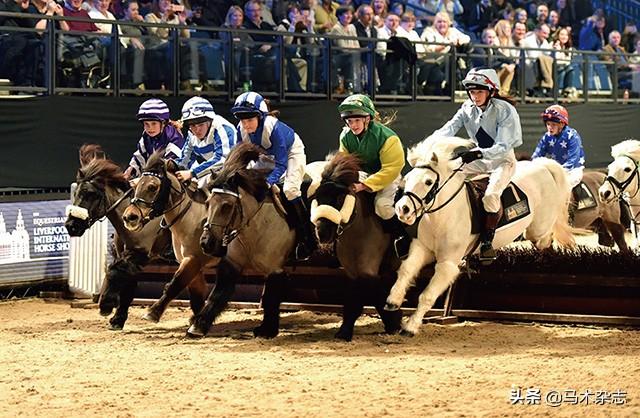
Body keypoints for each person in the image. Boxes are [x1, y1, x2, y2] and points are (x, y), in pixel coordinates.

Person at [431, 68, 522, 262]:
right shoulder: (466, 108)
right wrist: (427, 145)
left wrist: (478, 153)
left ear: (491, 91)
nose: (475, 96)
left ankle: (487, 242)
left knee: (490, 197)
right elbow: (448, 129)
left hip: (502, 161)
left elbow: (504, 145)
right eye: (472, 92)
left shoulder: (505, 110)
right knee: (446, 173)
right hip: (479, 159)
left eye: (479, 91)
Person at [231, 92, 316, 260]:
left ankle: (307, 238)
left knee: (290, 190)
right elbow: (240, 158)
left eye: (249, 120)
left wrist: (269, 182)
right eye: (242, 120)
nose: (245, 125)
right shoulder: (240, 129)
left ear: (260, 117)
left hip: (292, 152)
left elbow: (281, 163)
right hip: (267, 155)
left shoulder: (273, 128)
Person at [336, 94, 410, 259]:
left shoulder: (388, 137)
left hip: (387, 175)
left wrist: (364, 186)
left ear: (367, 118)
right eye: (349, 121)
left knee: (382, 207)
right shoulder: (345, 136)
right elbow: (346, 163)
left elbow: (392, 168)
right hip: (363, 174)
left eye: (356, 121)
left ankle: (401, 237)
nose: (353, 125)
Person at [175, 97, 238, 185]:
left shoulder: (222, 127)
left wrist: (192, 173)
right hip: (214, 171)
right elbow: (185, 160)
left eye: (201, 124)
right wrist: (172, 166)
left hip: (235, 171)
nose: (197, 130)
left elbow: (223, 159)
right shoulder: (191, 133)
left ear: (209, 121)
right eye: (193, 125)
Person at [124, 98, 185, 180]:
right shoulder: (146, 135)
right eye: (146, 124)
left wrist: (141, 180)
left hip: (174, 177)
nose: (150, 128)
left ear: (163, 123)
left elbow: (168, 167)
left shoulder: (174, 138)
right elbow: (140, 156)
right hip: (153, 176)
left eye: (154, 123)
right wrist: (130, 170)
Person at [532, 105, 585, 189]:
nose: (550, 127)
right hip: (555, 170)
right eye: (548, 124)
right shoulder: (547, 136)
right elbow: (537, 154)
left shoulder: (572, 136)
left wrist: (558, 171)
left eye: (553, 124)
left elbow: (573, 160)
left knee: (564, 186)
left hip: (573, 170)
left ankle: (585, 200)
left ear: (562, 124)